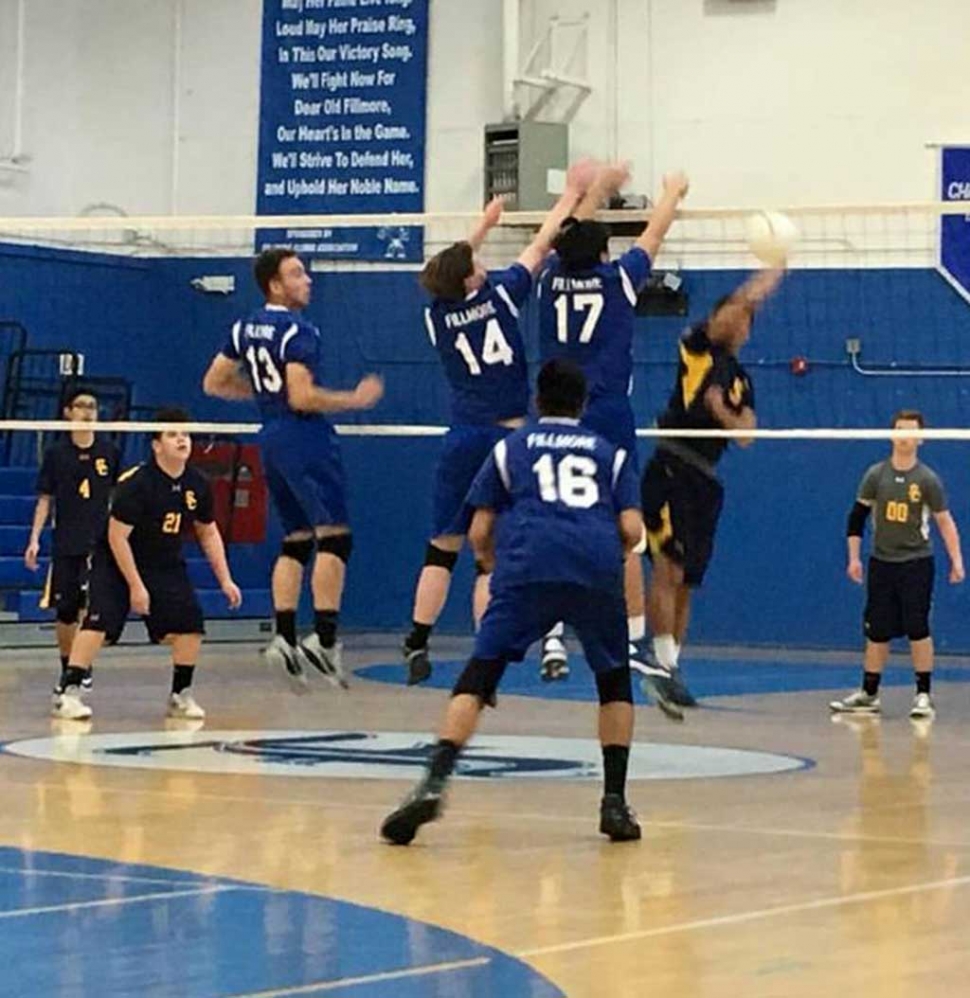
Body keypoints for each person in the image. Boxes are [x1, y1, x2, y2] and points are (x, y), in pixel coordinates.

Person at [381, 359, 645, 845]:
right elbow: (632, 530)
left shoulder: (511, 449)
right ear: (583, 405)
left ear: (536, 402)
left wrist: (491, 565)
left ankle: (433, 781)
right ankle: (614, 802)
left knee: (479, 675)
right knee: (613, 681)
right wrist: (605, 554)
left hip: (527, 565)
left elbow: (479, 530)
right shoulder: (610, 454)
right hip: (593, 566)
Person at [401, 162, 596, 686]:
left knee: (442, 546)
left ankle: (416, 640)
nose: (483, 265)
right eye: (477, 263)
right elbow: (541, 242)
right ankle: (499, 650)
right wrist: (571, 196)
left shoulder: (435, 315)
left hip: (462, 436)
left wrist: (482, 227)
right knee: (497, 555)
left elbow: (447, 268)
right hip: (508, 439)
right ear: (471, 278)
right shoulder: (504, 292)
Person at [203, 248, 384, 691]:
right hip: (305, 437)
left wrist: (264, 399)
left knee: (297, 538)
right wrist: (352, 400)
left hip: (270, 435)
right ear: (275, 286)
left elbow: (213, 383)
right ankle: (324, 638)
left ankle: (283, 638)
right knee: (336, 536)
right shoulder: (299, 331)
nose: (308, 280)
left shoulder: (243, 326)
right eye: (297, 274)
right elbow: (302, 397)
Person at [535, 163, 689, 681]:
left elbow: (569, 238)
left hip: (553, 416)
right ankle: (632, 641)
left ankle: (552, 638)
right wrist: (672, 191)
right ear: (603, 255)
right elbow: (655, 232)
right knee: (626, 530)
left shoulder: (549, 282)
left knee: (553, 524)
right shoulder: (618, 280)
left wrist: (589, 192)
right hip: (605, 416)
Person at [640, 268, 784, 718]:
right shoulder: (697, 348)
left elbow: (747, 434)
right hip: (671, 465)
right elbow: (742, 302)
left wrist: (724, 412)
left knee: (688, 581)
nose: (737, 323)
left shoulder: (741, 379)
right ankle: (658, 663)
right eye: (731, 315)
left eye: (744, 321)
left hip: (705, 479)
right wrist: (774, 269)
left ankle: (671, 668)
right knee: (668, 569)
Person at [52, 408, 242, 721]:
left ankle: (180, 695)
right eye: (172, 434)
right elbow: (117, 537)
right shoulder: (137, 483)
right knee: (98, 622)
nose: (182, 440)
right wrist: (135, 587)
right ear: (156, 445)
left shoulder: (197, 484)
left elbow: (208, 532)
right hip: (115, 560)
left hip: (164, 561)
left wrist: (225, 579)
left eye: (185, 434)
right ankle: (69, 691)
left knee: (191, 625)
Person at [830, 410, 963, 719]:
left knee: (918, 628)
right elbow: (856, 519)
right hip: (881, 562)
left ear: (921, 439)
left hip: (916, 563)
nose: (905, 435)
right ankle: (869, 693)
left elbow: (945, 522)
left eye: (911, 431)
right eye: (900, 429)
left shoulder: (927, 480)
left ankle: (923, 695)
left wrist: (956, 560)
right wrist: (853, 558)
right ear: (891, 434)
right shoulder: (876, 475)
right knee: (877, 630)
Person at [24, 388, 120, 696]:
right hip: (66, 541)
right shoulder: (56, 454)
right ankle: (69, 665)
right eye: (81, 406)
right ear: (68, 412)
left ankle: (82, 666)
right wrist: (34, 539)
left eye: (92, 406)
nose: (88, 411)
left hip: (99, 543)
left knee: (91, 608)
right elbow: (45, 499)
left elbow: (118, 499)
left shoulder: (109, 451)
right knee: (66, 610)